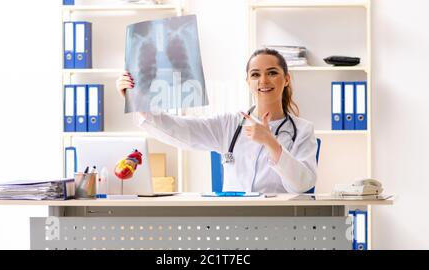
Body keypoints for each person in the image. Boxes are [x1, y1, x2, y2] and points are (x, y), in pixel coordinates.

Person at [116, 48, 317, 194]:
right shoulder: (229, 124)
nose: (263, 81)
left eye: (272, 73)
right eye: (255, 74)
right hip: (233, 224)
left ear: (287, 79)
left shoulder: (302, 130)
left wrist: (270, 142)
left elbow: (302, 184)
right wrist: (136, 100)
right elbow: (179, 130)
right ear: (248, 82)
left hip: (280, 224)